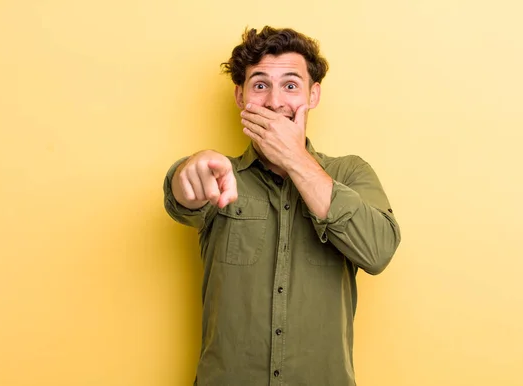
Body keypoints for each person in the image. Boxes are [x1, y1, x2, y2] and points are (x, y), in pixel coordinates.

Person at [163, 26, 401, 386]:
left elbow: (378, 250)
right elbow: (182, 196)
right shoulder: (220, 175)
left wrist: (296, 160)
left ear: (313, 94)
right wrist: (188, 173)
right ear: (240, 96)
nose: (275, 102)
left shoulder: (350, 173)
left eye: (290, 85)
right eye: (260, 85)